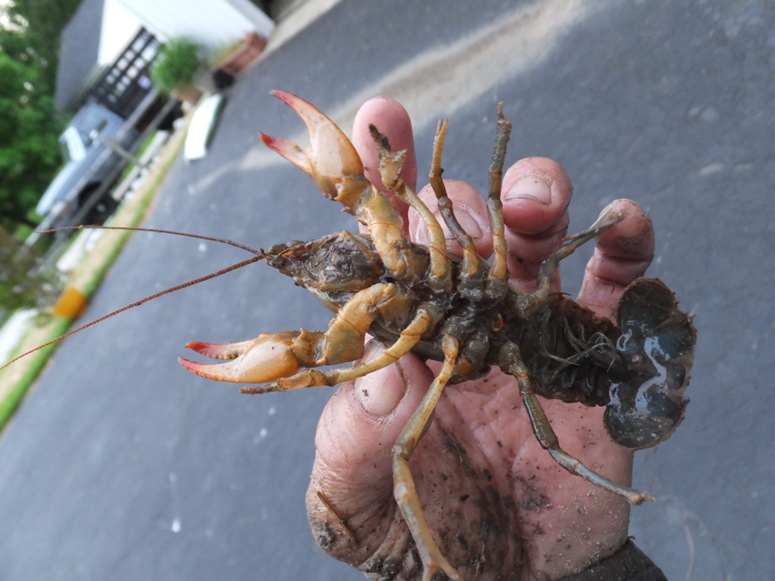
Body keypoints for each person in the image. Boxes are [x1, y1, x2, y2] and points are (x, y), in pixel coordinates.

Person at [305, 97, 668, 580]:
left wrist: (429, 183)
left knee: (485, 215)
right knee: (402, 451)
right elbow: (340, 358)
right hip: (528, 366)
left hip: (555, 326)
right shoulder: (388, 328)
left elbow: (467, 202)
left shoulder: (411, 247)